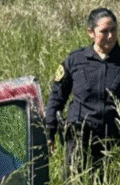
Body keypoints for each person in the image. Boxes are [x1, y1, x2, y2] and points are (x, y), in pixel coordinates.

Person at [46, 7, 120, 175]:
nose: (110, 36)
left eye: (114, 30)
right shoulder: (76, 60)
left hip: (112, 140)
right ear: (91, 33)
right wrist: (49, 130)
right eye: (104, 31)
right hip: (79, 138)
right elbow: (57, 97)